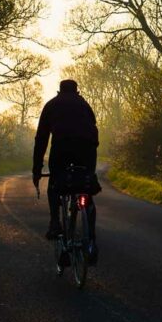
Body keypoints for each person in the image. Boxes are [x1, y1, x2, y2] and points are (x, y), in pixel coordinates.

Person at [32, 79, 100, 262]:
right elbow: (94, 129)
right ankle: (91, 241)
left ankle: (55, 223)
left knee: (55, 183)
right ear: (77, 91)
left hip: (61, 148)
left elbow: (41, 139)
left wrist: (36, 170)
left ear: (59, 90)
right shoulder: (84, 104)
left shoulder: (51, 105)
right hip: (87, 149)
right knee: (86, 188)